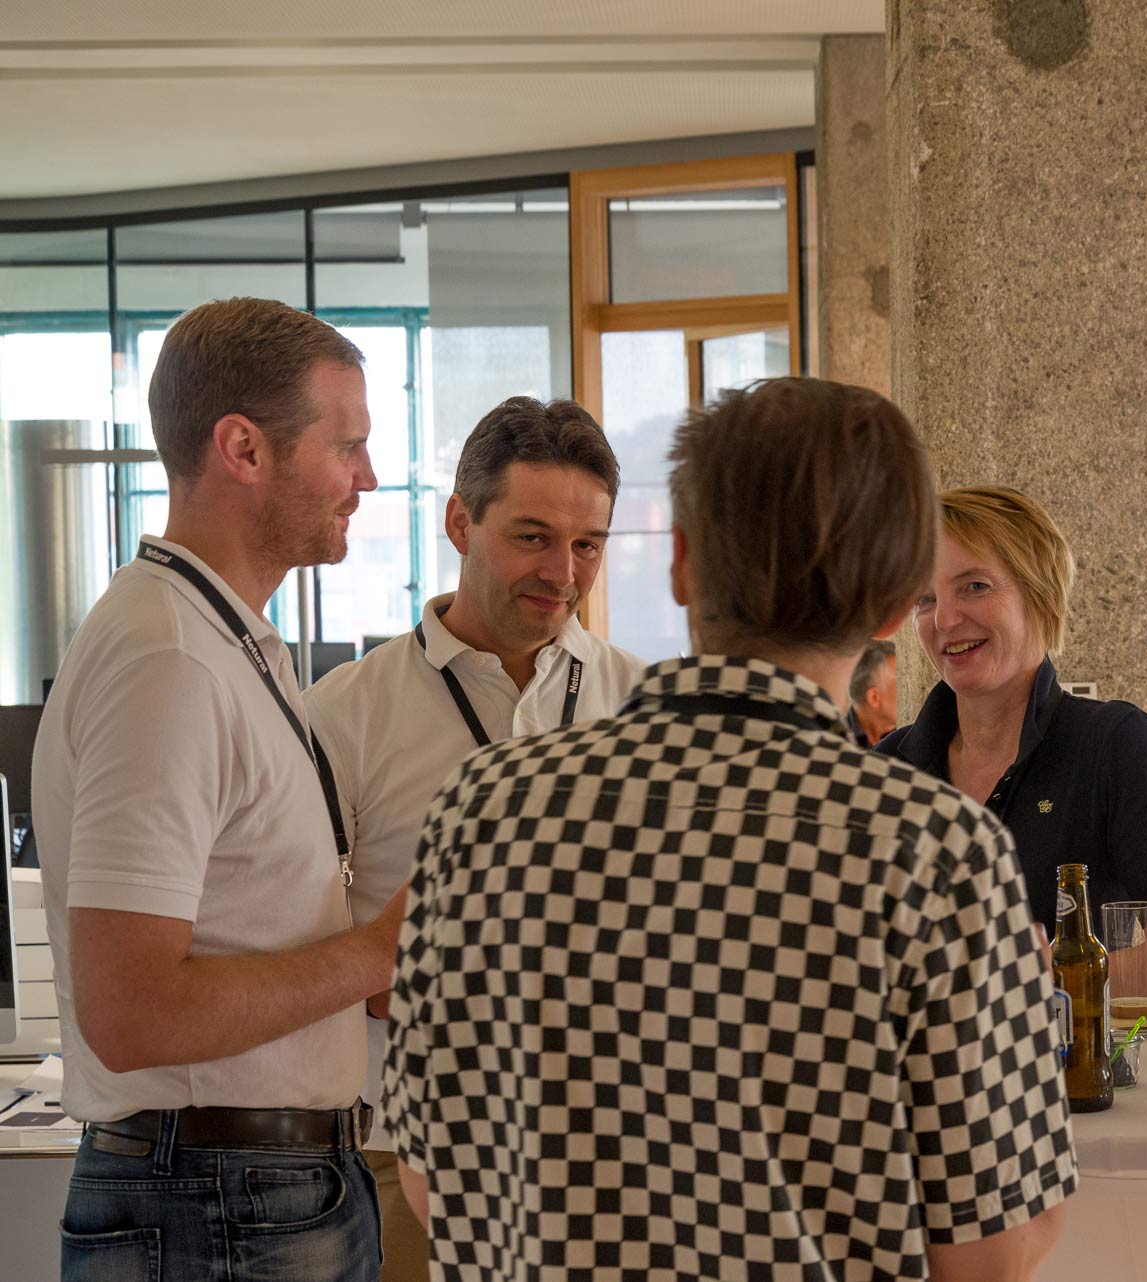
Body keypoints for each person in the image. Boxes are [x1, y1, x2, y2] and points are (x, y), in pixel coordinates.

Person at [383, 378, 1074, 1282]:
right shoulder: (936, 851)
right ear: (895, 606)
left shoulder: (480, 808)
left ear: (678, 564)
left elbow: (430, 1178)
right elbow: (993, 1247)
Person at [32, 297, 403, 1282]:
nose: (365, 478)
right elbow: (133, 1008)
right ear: (243, 447)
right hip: (216, 1196)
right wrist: (371, 952)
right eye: (348, 446)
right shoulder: (170, 659)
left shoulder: (227, 640)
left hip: (260, 1185)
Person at [305, 395, 648, 1282]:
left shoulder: (648, 709)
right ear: (461, 521)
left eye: (588, 545)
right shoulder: (345, 712)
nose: (563, 572)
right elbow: (300, 945)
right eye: (532, 537)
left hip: (622, 1159)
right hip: (414, 1149)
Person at [880, 485, 1147, 1012]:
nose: (944, 620)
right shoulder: (889, 767)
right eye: (925, 599)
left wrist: (1033, 980)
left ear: (1041, 595)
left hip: (1073, 1080)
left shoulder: (1111, 742)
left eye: (974, 586)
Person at [844, 638, 898, 748]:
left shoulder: (911, 737)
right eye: (901, 682)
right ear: (874, 697)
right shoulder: (833, 742)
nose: (908, 688)